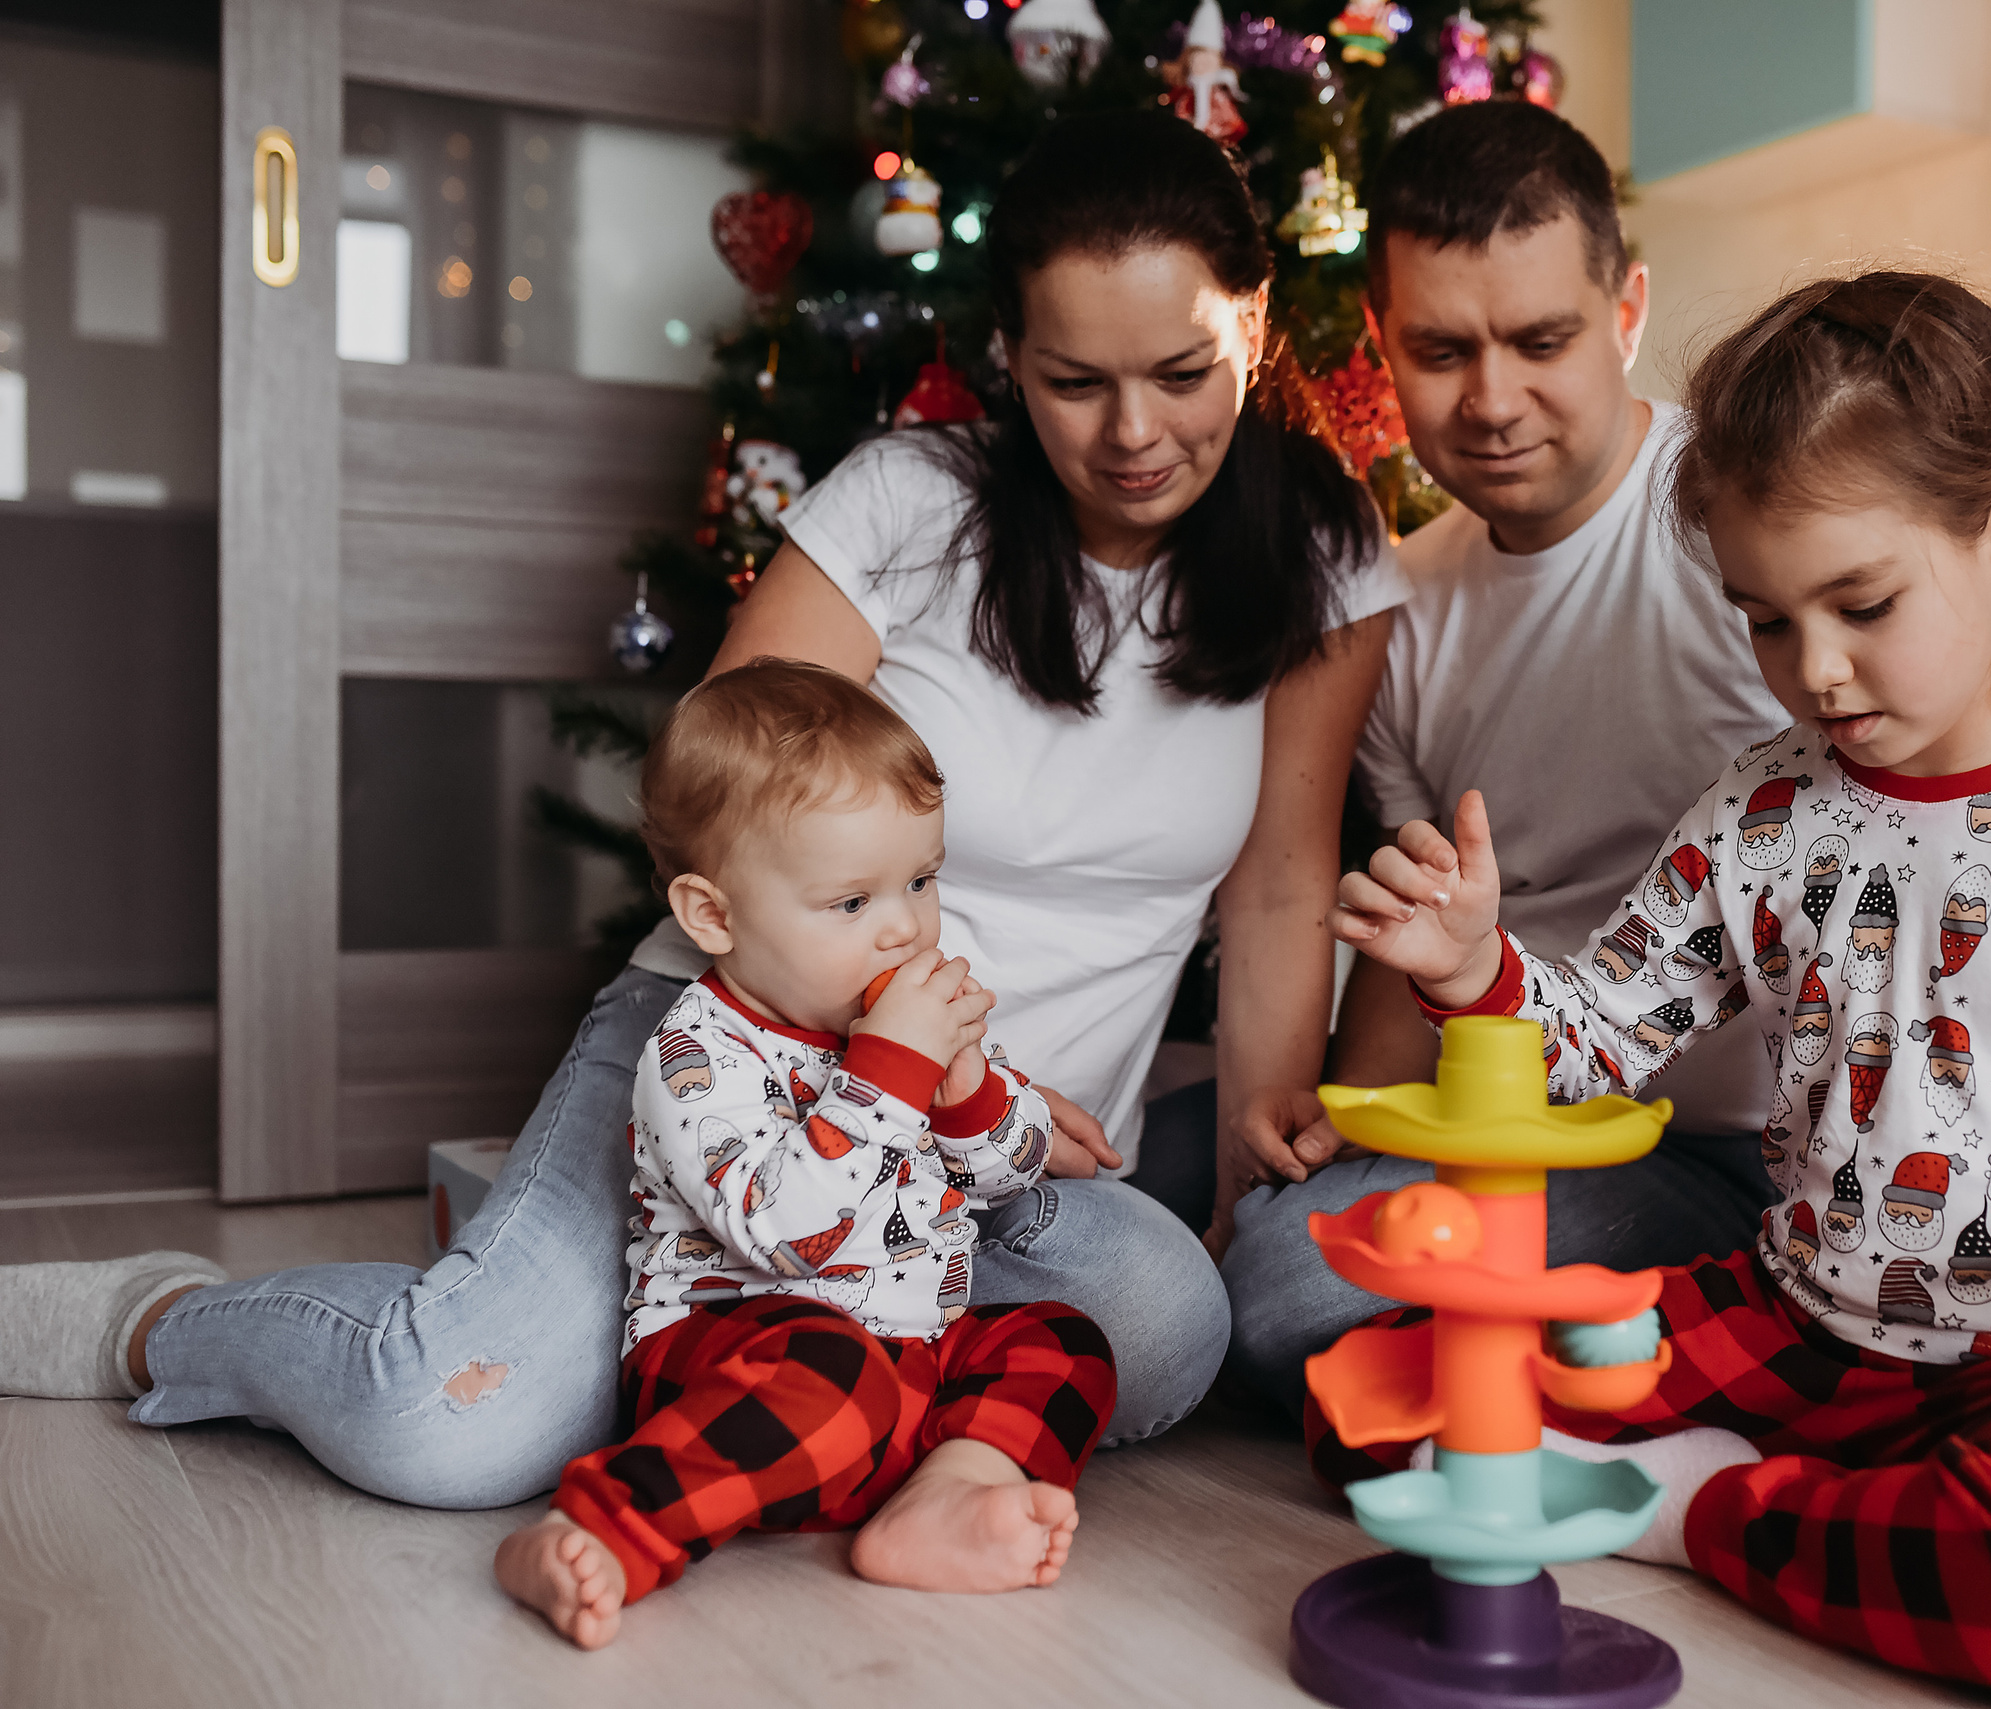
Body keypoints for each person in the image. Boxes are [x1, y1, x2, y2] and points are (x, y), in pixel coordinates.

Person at [0, 109, 1397, 1507]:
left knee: (1166, 1333)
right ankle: (175, 1317)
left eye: (1181, 372)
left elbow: (1279, 881)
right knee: (449, 1426)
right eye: (1074, 380)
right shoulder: (915, 504)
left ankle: (717, 1330)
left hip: (984, 1165)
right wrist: (900, 1059)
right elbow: (722, 811)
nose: (1136, 432)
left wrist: (1238, 1171)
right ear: (1008, 359)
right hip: (746, 1082)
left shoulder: (1320, 551)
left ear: (1258, 323)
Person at [1316, 270, 1991, 1707]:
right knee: (1373, 1406)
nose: (1812, 670)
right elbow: (1591, 1047)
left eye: (1862, 604)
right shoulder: (1761, 812)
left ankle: (1686, 1505)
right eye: (1762, 619)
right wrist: (1473, 970)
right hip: (1803, 1319)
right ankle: (1898, 1490)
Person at [1216, 101, 1788, 1402]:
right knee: (1176, 1175)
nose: (1491, 401)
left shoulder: (1749, 525)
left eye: (1543, 341)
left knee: (1286, 1287)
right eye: (1440, 349)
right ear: (1382, 344)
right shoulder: (1403, 608)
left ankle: (1698, 1333)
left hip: (1722, 1148)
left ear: (1627, 309)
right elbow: (1418, 923)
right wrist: (1351, 1119)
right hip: (1498, 1104)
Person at [497, 662, 1115, 1647]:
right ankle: (603, 1524)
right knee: (834, 1370)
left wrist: (971, 1095)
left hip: (903, 1369)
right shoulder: (697, 1055)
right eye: (850, 901)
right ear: (715, 915)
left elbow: (1003, 1176)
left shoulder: (902, 1021)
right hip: (739, 1367)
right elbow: (786, 1236)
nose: (905, 923)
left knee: (1061, 1338)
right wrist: (886, 1075)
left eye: (920, 878)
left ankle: (944, 1496)